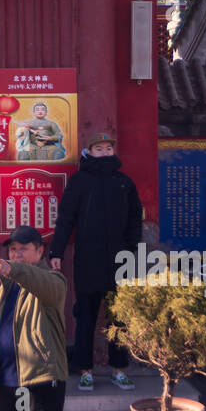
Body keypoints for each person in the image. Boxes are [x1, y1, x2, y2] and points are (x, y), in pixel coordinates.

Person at [50, 132, 143, 392]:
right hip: (88, 260)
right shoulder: (79, 182)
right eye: (99, 149)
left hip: (119, 260)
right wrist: (56, 252)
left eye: (108, 149)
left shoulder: (125, 183)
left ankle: (119, 370)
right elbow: (66, 218)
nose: (104, 153)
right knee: (86, 316)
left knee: (119, 318)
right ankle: (86, 371)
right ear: (89, 152)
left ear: (114, 151)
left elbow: (136, 216)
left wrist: (132, 247)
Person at [0, 225, 67, 411]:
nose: (16, 254)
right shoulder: (7, 288)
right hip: (8, 385)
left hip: (41, 384)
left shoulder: (53, 281)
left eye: (23, 249)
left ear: (39, 252)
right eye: (12, 249)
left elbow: (38, 280)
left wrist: (13, 270)